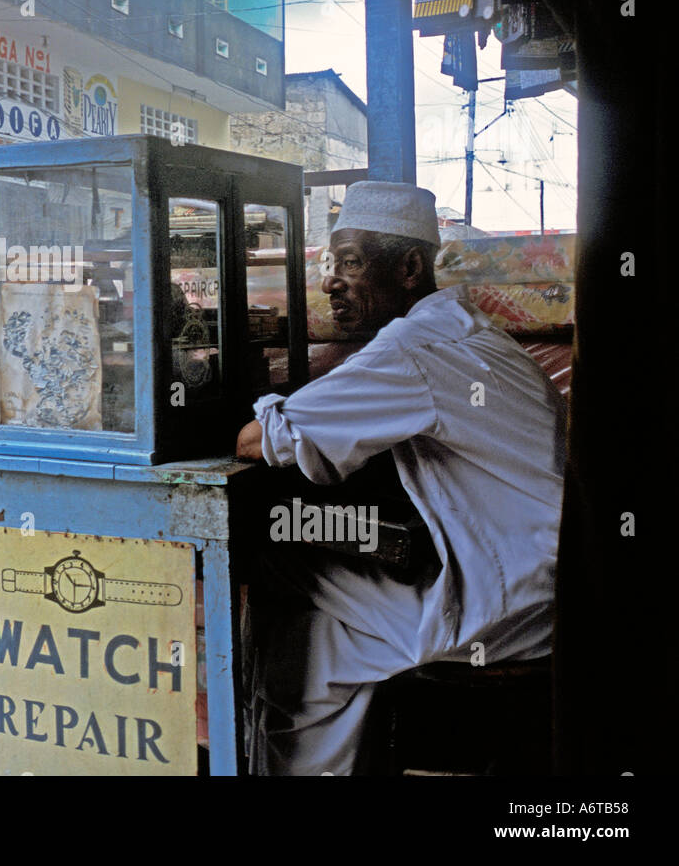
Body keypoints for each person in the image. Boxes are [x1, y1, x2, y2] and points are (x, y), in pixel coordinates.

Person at [233, 181, 565, 776]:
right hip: (545, 585)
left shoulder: (413, 347)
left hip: (502, 604)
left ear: (410, 267)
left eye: (351, 263)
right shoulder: (473, 331)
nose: (332, 281)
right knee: (319, 642)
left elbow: (260, 442)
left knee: (279, 566)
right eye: (330, 265)